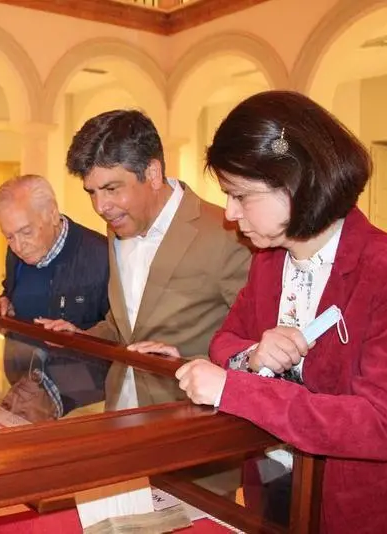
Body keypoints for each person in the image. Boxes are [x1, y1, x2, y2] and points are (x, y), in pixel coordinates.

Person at [175, 90, 387, 533]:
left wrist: (236, 390)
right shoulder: (269, 259)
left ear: (296, 183)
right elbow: (225, 341)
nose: (229, 213)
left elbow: (382, 425)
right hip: (273, 480)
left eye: (241, 196)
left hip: (351, 504)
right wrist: (252, 357)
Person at [39, 109, 251, 408]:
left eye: (112, 189)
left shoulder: (226, 233)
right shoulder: (117, 226)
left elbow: (253, 342)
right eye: (92, 192)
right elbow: (127, 323)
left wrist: (193, 362)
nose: (101, 206)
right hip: (120, 410)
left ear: (152, 173)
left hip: (188, 419)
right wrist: (85, 337)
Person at [0, 174, 109, 331]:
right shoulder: (15, 252)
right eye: (9, 237)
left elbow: (120, 331)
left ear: (53, 215)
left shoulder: (103, 257)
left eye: (27, 232)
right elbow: (11, 292)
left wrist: (82, 335)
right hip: (21, 354)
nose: (18, 247)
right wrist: (4, 302)